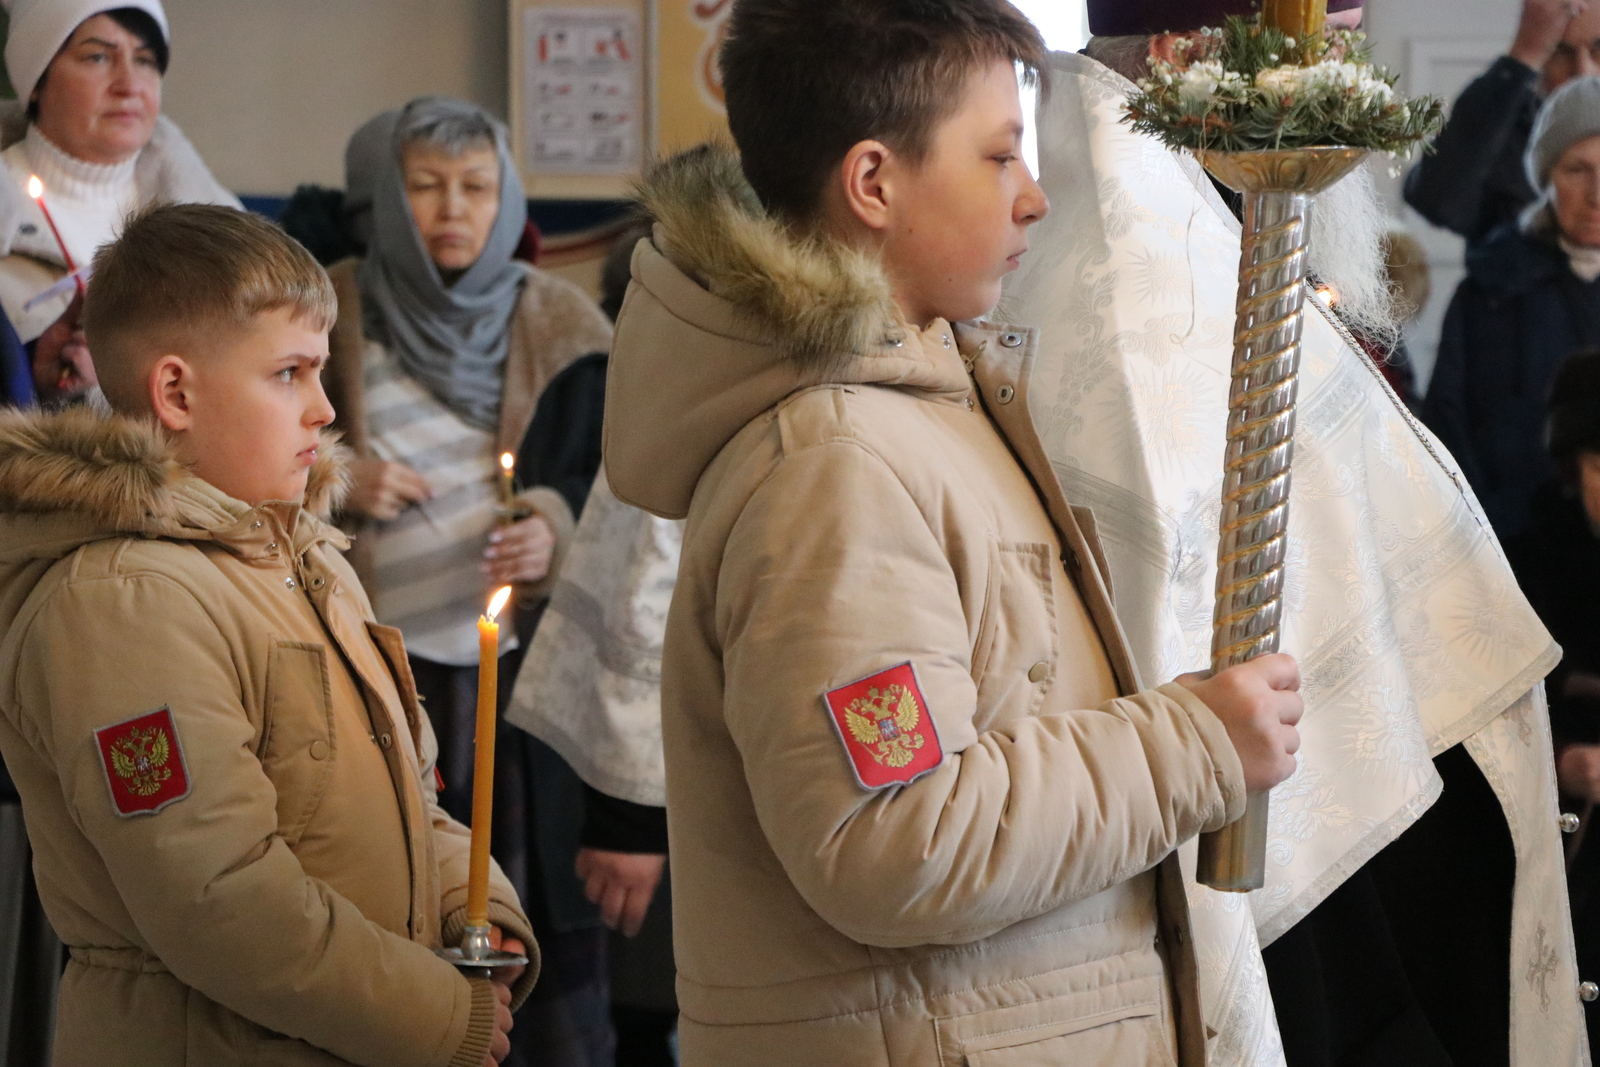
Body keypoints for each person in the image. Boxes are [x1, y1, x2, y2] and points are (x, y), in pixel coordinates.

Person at [605, 1, 1307, 1062]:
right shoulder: (833, 466)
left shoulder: (925, 408)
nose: (1033, 196)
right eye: (998, 155)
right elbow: (900, 839)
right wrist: (1197, 742)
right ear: (873, 182)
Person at [1017, 7, 1582, 1065]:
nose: (1353, 86)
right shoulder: (1144, 294)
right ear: (1186, 59)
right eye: (1329, 47)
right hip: (1311, 911)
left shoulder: (1193, 221)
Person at [0, 203, 537, 1065]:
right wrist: (436, 1014)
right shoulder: (125, 600)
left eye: (320, 370)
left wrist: (474, 912)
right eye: (290, 373)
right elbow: (218, 899)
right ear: (177, 393)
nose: (323, 409)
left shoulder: (309, 558)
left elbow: (409, 793)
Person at [323, 96, 615, 1067]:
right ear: (387, 197)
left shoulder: (561, 321)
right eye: (426, 185)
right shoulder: (332, 305)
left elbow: (617, 483)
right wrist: (336, 477)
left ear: (508, 198)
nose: (453, 208)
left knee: (519, 923)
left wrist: (551, 528)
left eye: (477, 187)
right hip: (373, 675)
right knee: (391, 908)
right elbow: (258, 443)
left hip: (516, 689)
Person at [508, 218, 680, 1067]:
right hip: (633, 757)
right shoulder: (634, 384)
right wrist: (627, 813)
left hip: (695, 752)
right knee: (632, 987)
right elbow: (637, 580)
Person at [0, 0, 238, 401]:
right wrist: (46, 391)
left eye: (145, 60)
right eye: (97, 57)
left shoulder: (221, 238)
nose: (129, 85)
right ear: (36, 80)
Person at [1424, 76, 1600, 541]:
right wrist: (1488, 535)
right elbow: (1447, 427)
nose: (1597, 195)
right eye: (1577, 170)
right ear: (1546, 178)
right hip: (1510, 549)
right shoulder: (1490, 289)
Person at [1507, 348, 1600, 1063]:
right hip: (1569, 837)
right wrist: (1564, 760)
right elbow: (1507, 714)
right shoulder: (1529, 564)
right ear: (1572, 469)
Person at [1406, 0, 1600, 248]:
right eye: (1560, 52)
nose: (1583, 71)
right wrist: (1523, 57)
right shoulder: (1503, 124)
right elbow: (1435, 201)